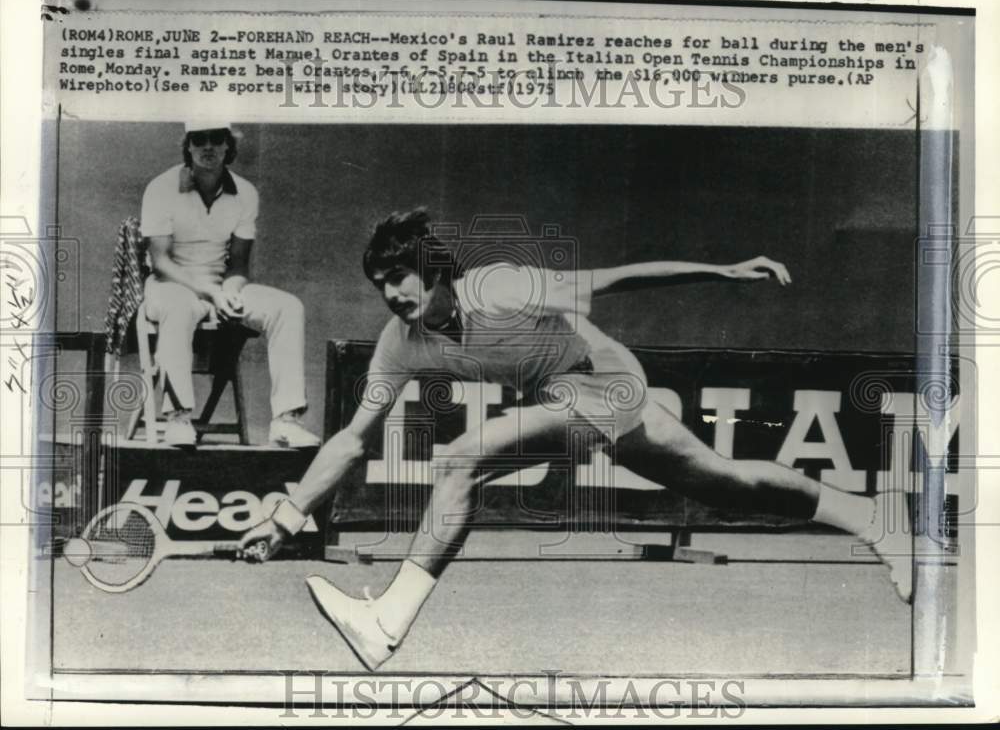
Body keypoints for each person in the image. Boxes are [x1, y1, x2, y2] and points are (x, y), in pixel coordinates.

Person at [238, 209, 913, 670]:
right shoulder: (400, 343)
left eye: (399, 278)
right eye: (380, 284)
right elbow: (351, 440)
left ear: (434, 270)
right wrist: (288, 515)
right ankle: (866, 514)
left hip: (603, 379)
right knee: (722, 479)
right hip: (563, 395)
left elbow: (612, 280)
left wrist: (724, 271)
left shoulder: (500, 289)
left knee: (464, 457)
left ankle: (388, 621)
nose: (390, 294)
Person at [140, 120, 319, 448]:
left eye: (216, 139)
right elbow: (161, 262)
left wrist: (230, 293)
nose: (208, 147)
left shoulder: (246, 193)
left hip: (220, 287)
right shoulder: (160, 188)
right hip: (170, 286)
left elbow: (238, 265)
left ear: (228, 145)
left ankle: (286, 421)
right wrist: (211, 293)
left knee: (287, 307)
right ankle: (178, 418)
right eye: (199, 140)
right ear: (188, 146)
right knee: (179, 307)